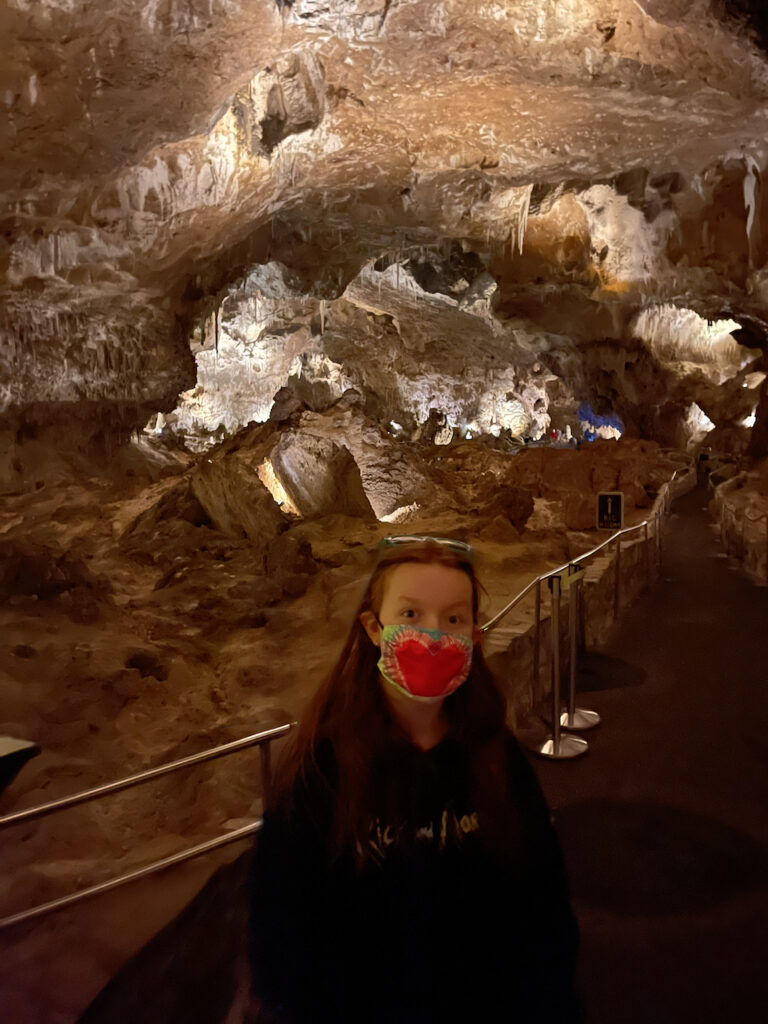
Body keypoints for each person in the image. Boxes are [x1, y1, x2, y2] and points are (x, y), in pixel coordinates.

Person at [248, 536, 580, 1024]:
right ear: (372, 628)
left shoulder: (496, 756)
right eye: (409, 615)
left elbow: (543, 902)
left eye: (453, 619)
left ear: (475, 635)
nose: (432, 636)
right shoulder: (322, 773)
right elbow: (283, 936)